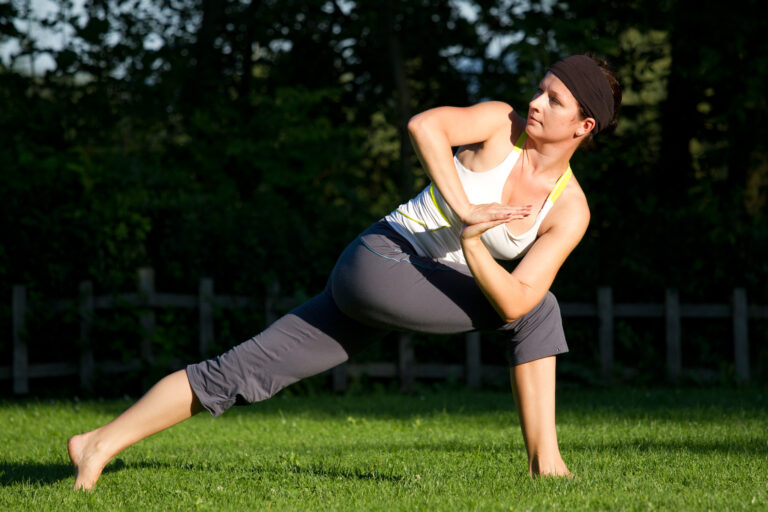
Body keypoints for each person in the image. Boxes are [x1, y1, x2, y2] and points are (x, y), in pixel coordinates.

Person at [68, 54, 621, 490]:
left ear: (584, 125)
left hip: (408, 285)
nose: (535, 102)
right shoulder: (499, 125)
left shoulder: (569, 209)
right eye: (540, 89)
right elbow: (424, 126)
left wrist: (473, 245)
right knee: (541, 311)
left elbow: (515, 300)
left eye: (554, 99)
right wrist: (465, 212)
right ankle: (545, 464)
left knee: (238, 371)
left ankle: (96, 443)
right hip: (382, 260)